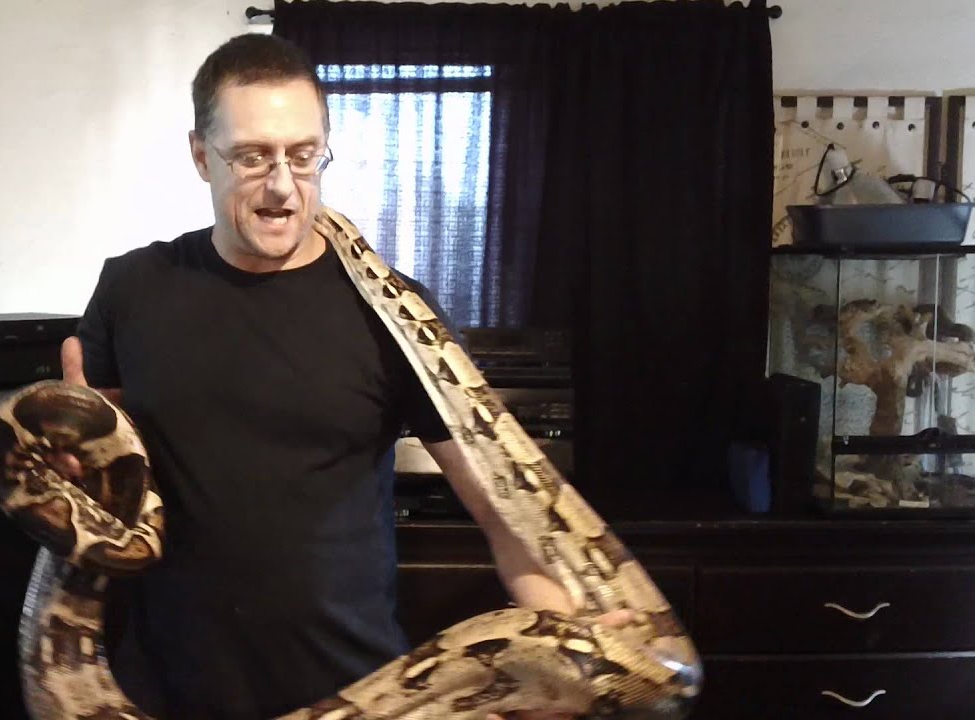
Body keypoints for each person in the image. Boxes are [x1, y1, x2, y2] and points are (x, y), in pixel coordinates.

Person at [58, 32, 627, 720]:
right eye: (252, 156)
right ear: (202, 157)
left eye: (303, 156)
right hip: (163, 694)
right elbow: (101, 481)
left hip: (358, 694)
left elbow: (501, 511)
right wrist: (69, 459)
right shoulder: (132, 288)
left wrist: (572, 640)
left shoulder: (399, 313)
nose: (282, 185)